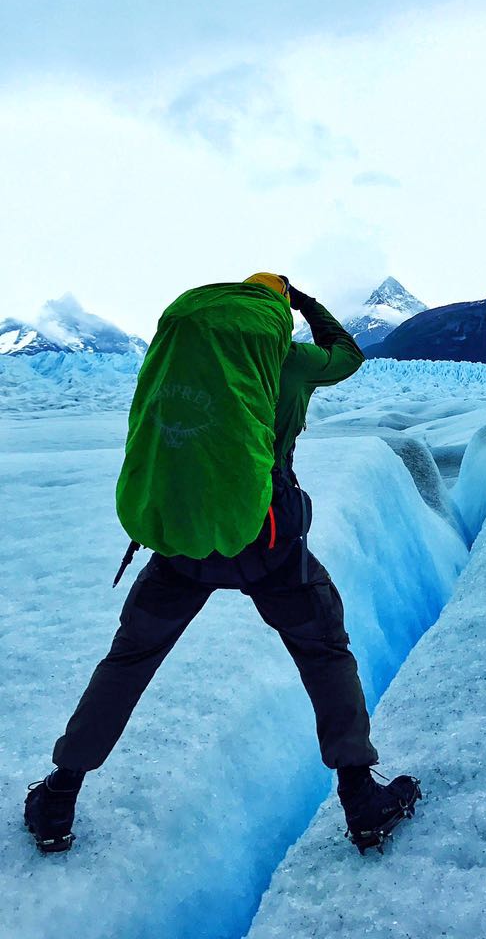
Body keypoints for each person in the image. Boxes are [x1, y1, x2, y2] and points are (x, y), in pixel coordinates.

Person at [24, 272, 419, 856]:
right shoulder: (289, 362)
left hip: (186, 540)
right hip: (268, 541)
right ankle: (360, 795)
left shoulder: (186, 359)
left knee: (130, 659)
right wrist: (305, 302)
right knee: (322, 649)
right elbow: (348, 354)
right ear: (272, 313)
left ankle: (60, 792)